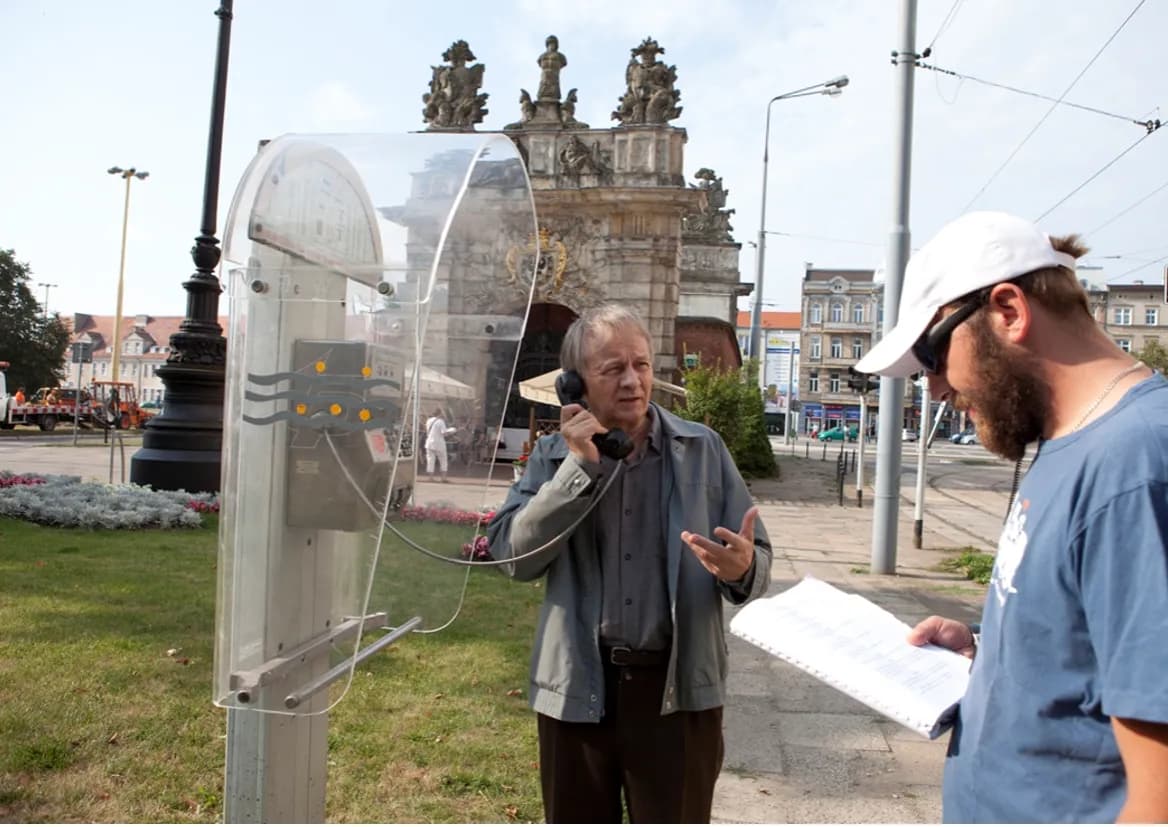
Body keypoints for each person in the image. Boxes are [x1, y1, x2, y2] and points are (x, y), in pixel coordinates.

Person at [854, 211, 1168, 823]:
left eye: (932, 353)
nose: (934, 386)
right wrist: (989, 650)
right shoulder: (1071, 440)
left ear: (1008, 311)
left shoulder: (1136, 466)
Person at [487, 304, 771, 823]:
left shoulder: (703, 449)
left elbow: (758, 562)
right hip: (579, 689)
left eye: (640, 365)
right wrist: (577, 471)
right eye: (611, 369)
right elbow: (512, 556)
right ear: (575, 384)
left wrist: (743, 570)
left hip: (677, 693)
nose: (632, 381)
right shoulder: (552, 456)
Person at [423, 407, 449, 482]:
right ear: (440, 413)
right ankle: (443, 478)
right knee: (443, 459)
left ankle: (430, 477)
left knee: (430, 460)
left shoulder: (428, 421)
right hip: (439, 443)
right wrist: (450, 432)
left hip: (429, 443)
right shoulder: (441, 421)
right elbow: (444, 433)